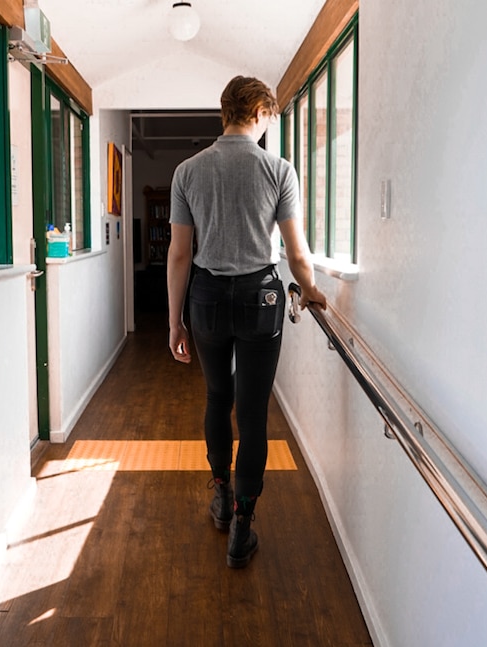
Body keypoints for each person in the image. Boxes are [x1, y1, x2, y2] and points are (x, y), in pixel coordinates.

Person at [167, 75, 327, 568]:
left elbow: (178, 255)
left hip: (208, 298)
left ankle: (219, 494)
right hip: (261, 297)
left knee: (219, 397)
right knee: (253, 412)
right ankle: (242, 524)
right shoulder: (278, 170)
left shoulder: (187, 171)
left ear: (225, 113)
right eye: (270, 117)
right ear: (259, 112)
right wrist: (313, 290)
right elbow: (296, 254)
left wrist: (175, 322)